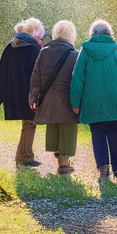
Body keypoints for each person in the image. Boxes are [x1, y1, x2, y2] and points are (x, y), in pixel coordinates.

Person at [69, 19, 117, 183]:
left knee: (97, 134)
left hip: (92, 101)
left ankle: (103, 170)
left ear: (93, 34)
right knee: (116, 132)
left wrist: (75, 103)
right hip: (115, 102)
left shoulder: (85, 51)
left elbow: (77, 79)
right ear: (109, 33)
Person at [26, 19, 81, 174]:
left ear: (55, 34)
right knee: (68, 128)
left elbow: (36, 76)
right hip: (67, 98)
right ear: (71, 35)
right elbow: (77, 80)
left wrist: (33, 97)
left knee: (54, 124)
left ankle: (59, 155)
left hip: (48, 98)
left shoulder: (44, 52)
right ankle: (64, 162)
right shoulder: (74, 54)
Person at [0, 18, 43, 166]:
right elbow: (38, 75)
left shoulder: (10, 45)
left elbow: (1, 71)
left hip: (13, 92)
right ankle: (25, 157)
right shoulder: (34, 49)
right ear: (35, 32)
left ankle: (23, 156)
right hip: (28, 93)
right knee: (30, 123)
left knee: (27, 123)